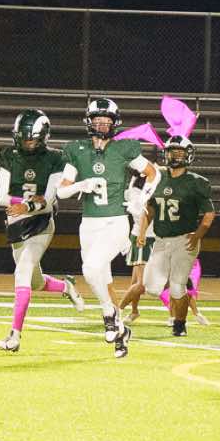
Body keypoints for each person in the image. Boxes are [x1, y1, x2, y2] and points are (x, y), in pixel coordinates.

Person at [46, 98, 150, 358]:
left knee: (90, 268)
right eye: (98, 121)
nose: (102, 125)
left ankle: (108, 313)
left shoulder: (124, 148)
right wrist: (82, 185)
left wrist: (140, 197)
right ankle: (121, 333)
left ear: (114, 123)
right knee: (103, 279)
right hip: (89, 224)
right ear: (89, 122)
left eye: (107, 121)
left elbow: (153, 173)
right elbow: (61, 191)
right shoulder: (77, 150)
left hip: (115, 221)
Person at [0, 109, 85, 353]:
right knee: (34, 282)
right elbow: (0, 196)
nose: (27, 142)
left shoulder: (55, 158)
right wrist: (23, 204)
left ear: (43, 137)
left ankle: (14, 336)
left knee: (22, 272)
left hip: (41, 224)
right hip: (16, 223)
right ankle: (66, 287)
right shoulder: (9, 155)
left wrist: (28, 206)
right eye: (23, 138)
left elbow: (50, 200)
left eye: (31, 139)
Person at [133, 135, 215, 337]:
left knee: (177, 286)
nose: (176, 156)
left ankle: (180, 324)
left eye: (180, 152)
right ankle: (181, 288)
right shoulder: (158, 177)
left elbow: (209, 214)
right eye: (172, 152)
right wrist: (142, 231)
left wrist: (197, 235)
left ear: (189, 155)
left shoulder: (197, 182)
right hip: (161, 240)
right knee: (151, 287)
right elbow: (150, 208)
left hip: (184, 239)